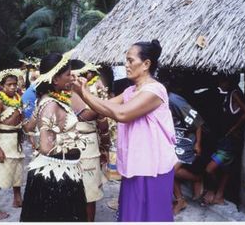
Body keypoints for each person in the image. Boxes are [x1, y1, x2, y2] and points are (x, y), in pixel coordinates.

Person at [73, 40, 178, 222]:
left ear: (146, 64)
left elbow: (122, 114)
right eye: (126, 61)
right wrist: (81, 92)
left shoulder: (155, 90)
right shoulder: (131, 90)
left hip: (154, 166)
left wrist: (86, 94)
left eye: (130, 60)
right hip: (136, 164)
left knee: (153, 216)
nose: (126, 65)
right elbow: (102, 108)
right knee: (133, 215)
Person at [20, 53, 87, 222]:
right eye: (68, 74)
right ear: (55, 79)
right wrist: (73, 142)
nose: (72, 77)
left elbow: (28, 127)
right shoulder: (50, 104)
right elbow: (46, 147)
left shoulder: (49, 99)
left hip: (63, 170)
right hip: (56, 177)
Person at [201, 74, 245, 206]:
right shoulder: (228, 94)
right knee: (226, 169)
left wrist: (233, 129)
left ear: (228, 82)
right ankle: (220, 196)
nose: (219, 84)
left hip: (229, 142)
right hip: (225, 140)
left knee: (209, 169)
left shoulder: (234, 94)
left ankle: (213, 190)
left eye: (221, 81)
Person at [70, 59, 110, 222]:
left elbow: (102, 122)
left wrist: (105, 145)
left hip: (91, 144)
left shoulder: (89, 90)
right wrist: (101, 110)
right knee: (76, 188)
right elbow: (87, 115)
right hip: (74, 144)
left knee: (89, 191)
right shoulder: (70, 91)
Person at [0, 68, 25, 220]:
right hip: (4, 140)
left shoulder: (17, 98)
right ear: (1, 87)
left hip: (16, 139)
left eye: (15, 84)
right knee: (2, 173)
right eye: (9, 84)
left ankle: (17, 198)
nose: (13, 87)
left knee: (17, 170)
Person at [167, 82, 205, 214]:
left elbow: (198, 121)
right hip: (174, 141)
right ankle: (180, 199)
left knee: (169, 171)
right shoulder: (159, 99)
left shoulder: (175, 101)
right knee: (172, 172)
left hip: (186, 141)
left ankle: (196, 181)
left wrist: (198, 143)